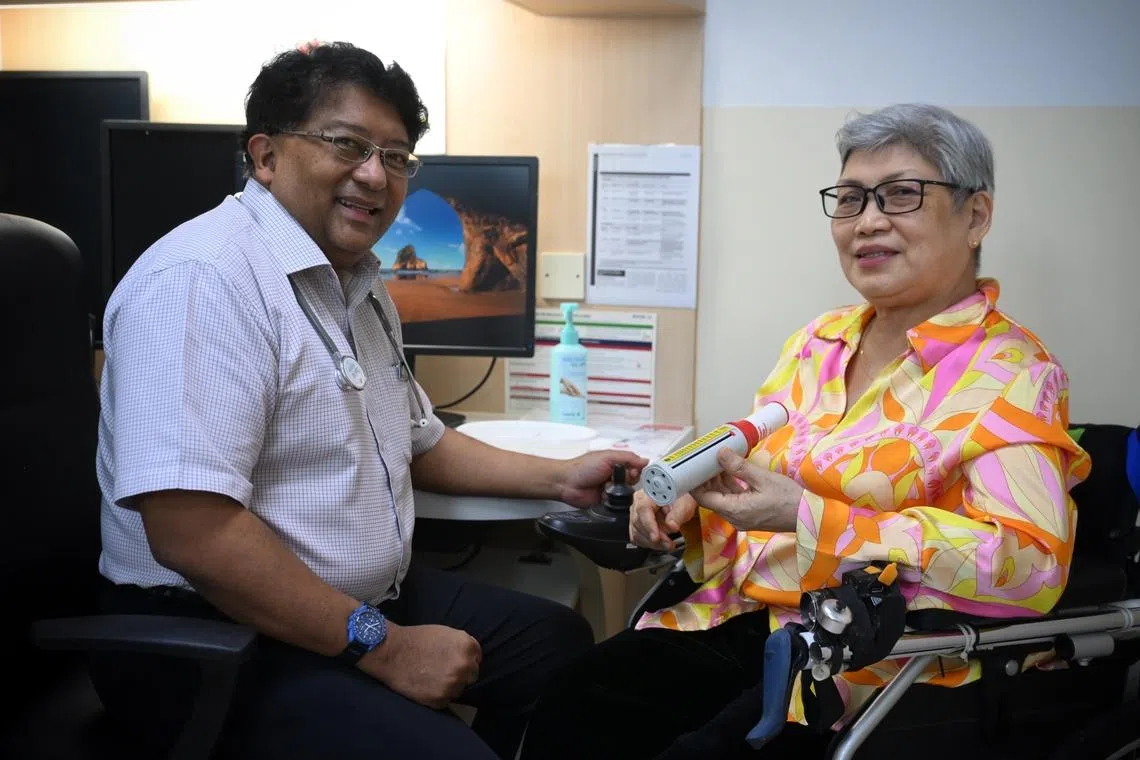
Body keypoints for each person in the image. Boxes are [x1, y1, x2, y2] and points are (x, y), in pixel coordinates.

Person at [91, 42, 645, 760]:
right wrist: (386, 651)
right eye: (346, 145)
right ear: (265, 157)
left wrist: (560, 477)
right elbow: (192, 532)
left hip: (345, 603)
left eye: (396, 157)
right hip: (214, 634)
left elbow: (418, 439)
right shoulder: (202, 282)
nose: (374, 176)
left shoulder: (355, 282)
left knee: (562, 650)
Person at [519, 103, 1092, 760]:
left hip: (871, 658)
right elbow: (747, 452)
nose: (868, 221)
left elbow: (1028, 565)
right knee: (570, 706)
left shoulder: (1010, 373)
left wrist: (809, 515)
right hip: (737, 618)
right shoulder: (819, 340)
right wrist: (686, 497)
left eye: (902, 195)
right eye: (850, 200)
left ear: (975, 216)